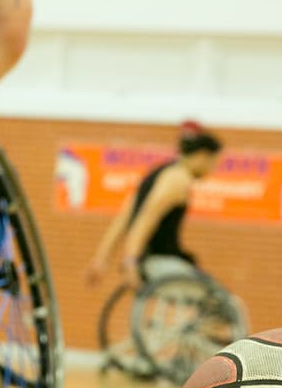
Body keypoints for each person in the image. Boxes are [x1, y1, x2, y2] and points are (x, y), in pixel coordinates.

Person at [86, 122, 223, 289]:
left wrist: (102, 258)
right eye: (213, 163)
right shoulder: (179, 179)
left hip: (150, 260)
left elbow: (125, 217)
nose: (212, 170)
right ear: (202, 156)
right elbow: (146, 218)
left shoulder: (159, 172)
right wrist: (130, 260)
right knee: (223, 301)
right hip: (160, 261)